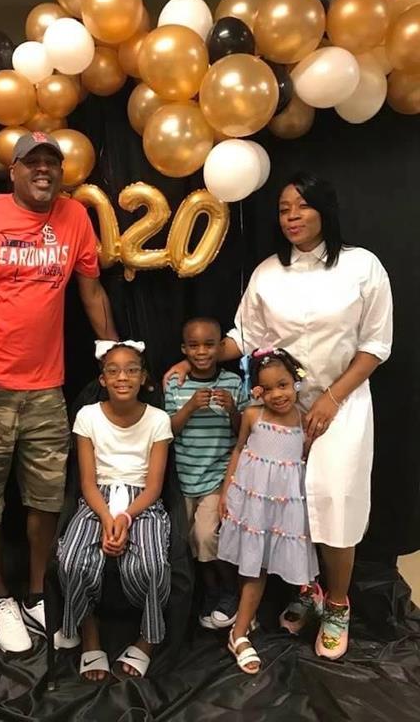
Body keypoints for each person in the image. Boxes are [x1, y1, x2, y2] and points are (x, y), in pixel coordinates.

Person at [164, 172, 393, 659]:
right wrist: (197, 360)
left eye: (301, 206)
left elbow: (376, 344)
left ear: (324, 209)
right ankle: (308, 591)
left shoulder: (362, 266)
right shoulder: (268, 272)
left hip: (341, 404)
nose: (291, 216)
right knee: (287, 505)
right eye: (284, 209)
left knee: (334, 501)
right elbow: (244, 336)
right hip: (279, 409)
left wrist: (332, 398)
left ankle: (337, 604)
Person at [0, 131, 117, 654]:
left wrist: (115, 353)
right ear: (12, 171)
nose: (43, 170)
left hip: (45, 388)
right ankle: (0, 598)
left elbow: (91, 291)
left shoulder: (74, 218)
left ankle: (36, 592)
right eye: (32, 162)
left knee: (47, 496)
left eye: (51, 162)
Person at [57, 341, 173, 681]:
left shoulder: (158, 420)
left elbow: (153, 487)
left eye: (131, 370)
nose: (123, 377)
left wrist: (125, 517)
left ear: (143, 377)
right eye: (114, 371)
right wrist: (107, 517)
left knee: (153, 565)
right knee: (71, 559)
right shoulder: (87, 416)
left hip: (142, 501)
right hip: (98, 498)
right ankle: (89, 632)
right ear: (103, 379)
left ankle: (147, 638)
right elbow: (87, 482)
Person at [217, 348, 319, 673]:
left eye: (283, 385)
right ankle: (238, 632)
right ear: (258, 390)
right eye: (269, 388)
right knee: (253, 566)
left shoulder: (304, 420)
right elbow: (238, 450)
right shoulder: (252, 415)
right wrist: (227, 490)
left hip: (285, 508)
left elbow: (304, 462)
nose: (277, 394)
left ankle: (252, 619)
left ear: (296, 383)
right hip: (253, 502)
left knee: (276, 564)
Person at [164, 317, 245, 630]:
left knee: (206, 535)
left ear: (220, 347)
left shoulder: (233, 383)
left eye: (209, 345)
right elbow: (166, 432)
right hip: (184, 479)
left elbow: (244, 433)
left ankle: (226, 592)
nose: (201, 352)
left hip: (217, 479)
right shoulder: (175, 384)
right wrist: (189, 408)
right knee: (185, 541)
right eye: (194, 345)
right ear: (184, 349)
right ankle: (206, 593)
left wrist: (232, 409)